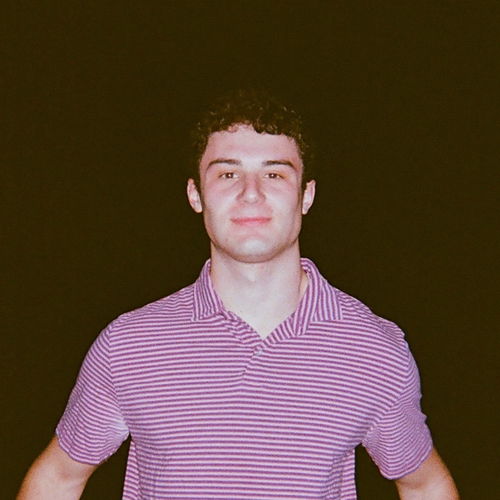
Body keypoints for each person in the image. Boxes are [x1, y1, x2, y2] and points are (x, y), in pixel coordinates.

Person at [18, 89, 459, 499]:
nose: (251, 193)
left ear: (306, 196)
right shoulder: (130, 344)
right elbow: (59, 478)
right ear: (195, 194)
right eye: (228, 173)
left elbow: (424, 485)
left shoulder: (373, 350)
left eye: (274, 174)